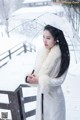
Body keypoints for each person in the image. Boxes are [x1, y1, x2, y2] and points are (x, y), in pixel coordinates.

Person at [25, 25, 70, 120]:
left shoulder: (63, 55)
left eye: (48, 38)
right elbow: (37, 71)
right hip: (41, 97)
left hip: (54, 99)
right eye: (43, 37)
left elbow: (60, 80)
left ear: (56, 38)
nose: (44, 41)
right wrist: (31, 77)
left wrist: (41, 80)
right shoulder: (42, 52)